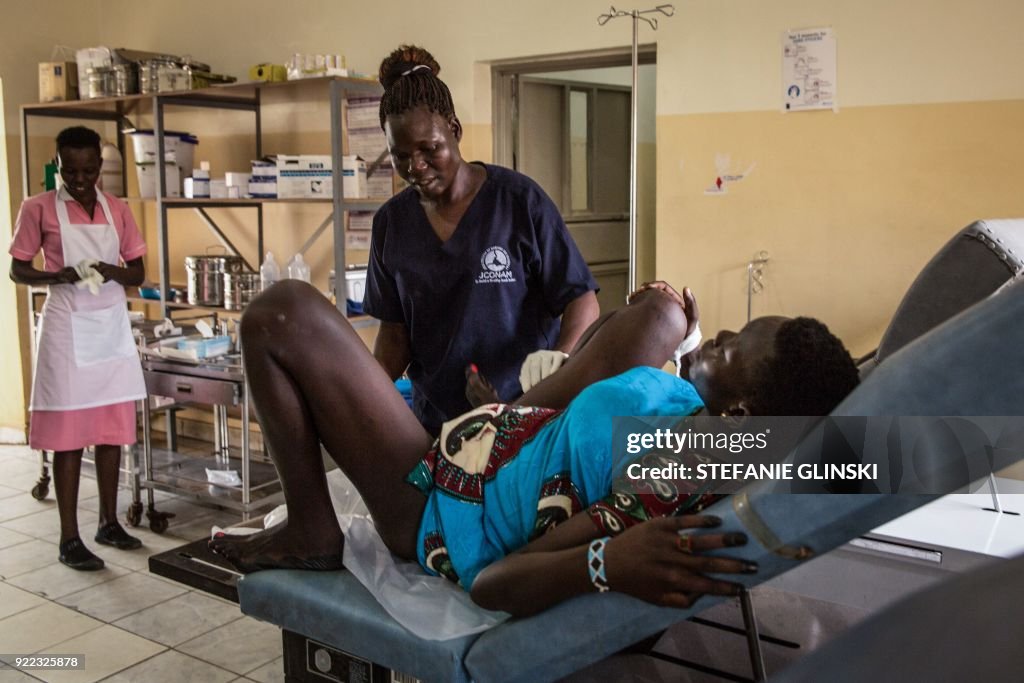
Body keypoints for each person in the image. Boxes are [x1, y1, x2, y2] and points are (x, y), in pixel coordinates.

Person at [210, 279, 859, 616]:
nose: (717, 336)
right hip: (511, 437)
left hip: (441, 501)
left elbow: (496, 584)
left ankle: (312, 529)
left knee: (280, 314)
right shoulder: (700, 420)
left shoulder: (661, 487)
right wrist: (502, 417)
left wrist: (605, 560)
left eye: (728, 345)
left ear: (741, 413)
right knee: (661, 314)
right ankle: (512, 404)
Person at [365, 44, 600, 435]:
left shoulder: (519, 202)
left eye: (430, 149)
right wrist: (365, 396)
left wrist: (557, 361)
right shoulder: (392, 224)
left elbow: (582, 300)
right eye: (400, 155)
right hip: (436, 425)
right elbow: (394, 335)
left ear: (454, 130)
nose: (416, 168)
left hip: (525, 414)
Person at [9, 126, 147, 571]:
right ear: (58, 164)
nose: (80, 178)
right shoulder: (38, 208)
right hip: (67, 329)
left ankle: (109, 521)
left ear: (100, 167)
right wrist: (57, 277)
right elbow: (17, 270)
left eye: (89, 169)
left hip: (109, 328)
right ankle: (69, 538)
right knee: (69, 440)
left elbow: (138, 273)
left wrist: (112, 269)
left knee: (111, 433)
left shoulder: (118, 209)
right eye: (70, 170)